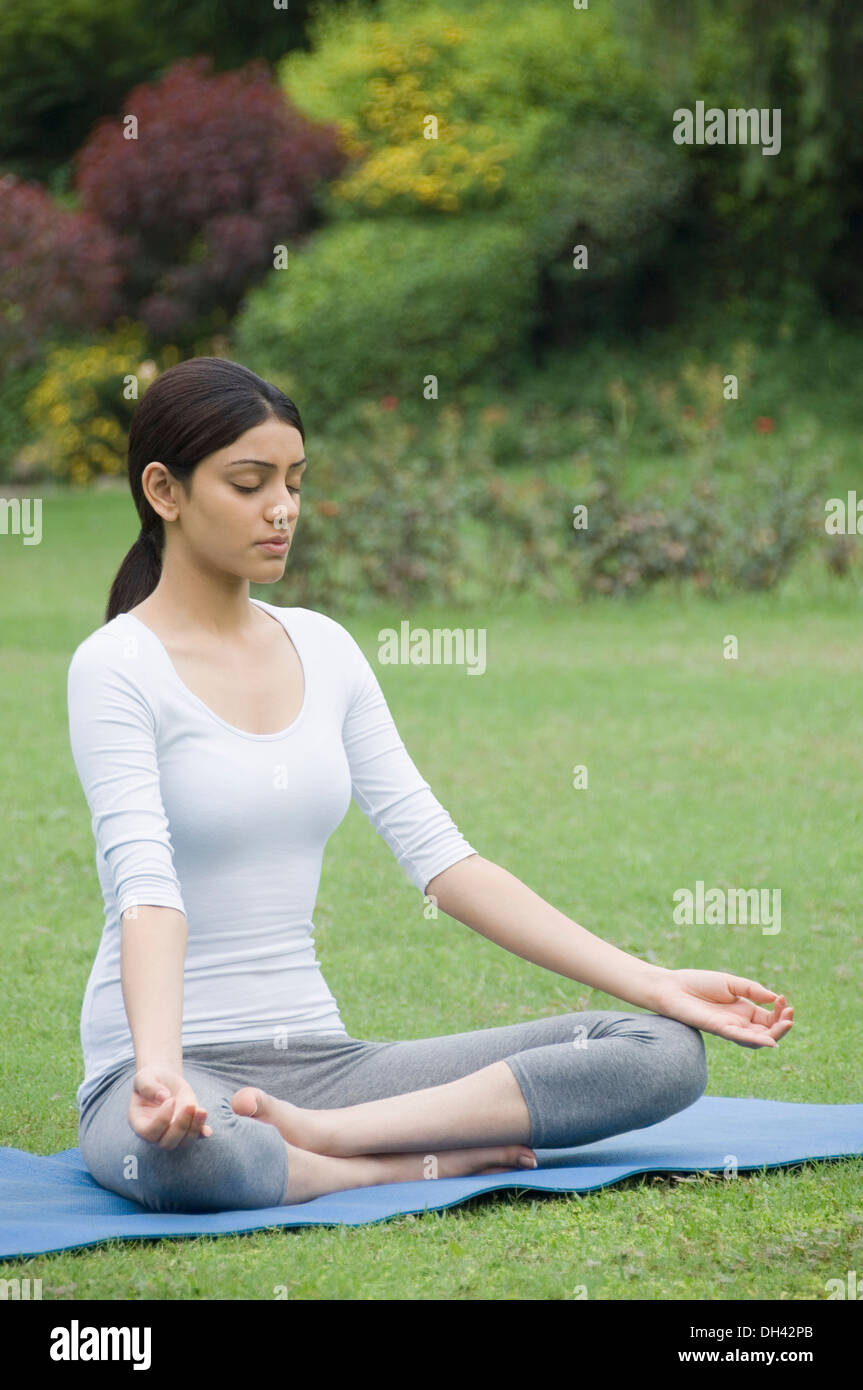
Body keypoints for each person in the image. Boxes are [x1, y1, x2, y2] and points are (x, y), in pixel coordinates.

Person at [67, 357, 794, 1213]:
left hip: (325, 1068)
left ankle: (330, 1138)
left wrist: (652, 980)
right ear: (164, 490)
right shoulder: (117, 665)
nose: (283, 509)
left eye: (295, 482)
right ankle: (393, 1163)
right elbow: (145, 887)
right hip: (161, 1067)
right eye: (249, 482)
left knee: (661, 1050)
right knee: (197, 1161)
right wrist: (157, 1070)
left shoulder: (324, 647)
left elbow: (445, 862)